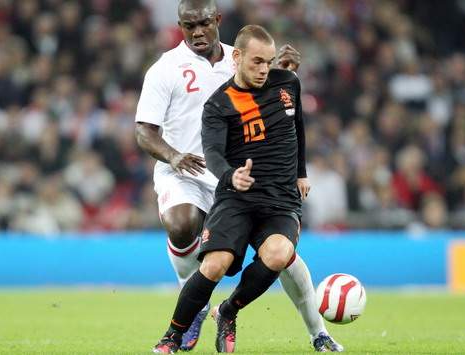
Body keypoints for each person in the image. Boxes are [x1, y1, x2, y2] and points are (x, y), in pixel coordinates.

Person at [136, 0, 340, 351]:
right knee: (183, 223)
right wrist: (173, 156)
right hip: (186, 169)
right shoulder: (164, 69)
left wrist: (283, 75)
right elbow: (144, 132)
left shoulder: (242, 57)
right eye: (188, 26)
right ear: (179, 26)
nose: (197, 32)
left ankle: (318, 332)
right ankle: (196, 304)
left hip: (241, 176)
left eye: (203, 23)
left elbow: (279, 103)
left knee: (284, 256)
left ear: (217, 19)